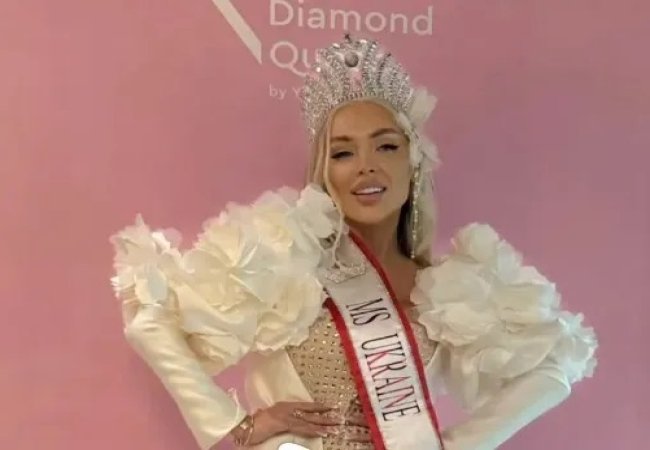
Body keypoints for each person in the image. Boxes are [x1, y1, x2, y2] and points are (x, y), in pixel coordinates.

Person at [110, 35, 597, 450]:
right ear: (325, 171)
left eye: (386, 146)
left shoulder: (452, 289)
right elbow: (149, 319)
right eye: (343, 153)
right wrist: (237, 427)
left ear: (413, 163)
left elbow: (557, 366)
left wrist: (459, 444)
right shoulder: (283, 259)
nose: (366, 166)